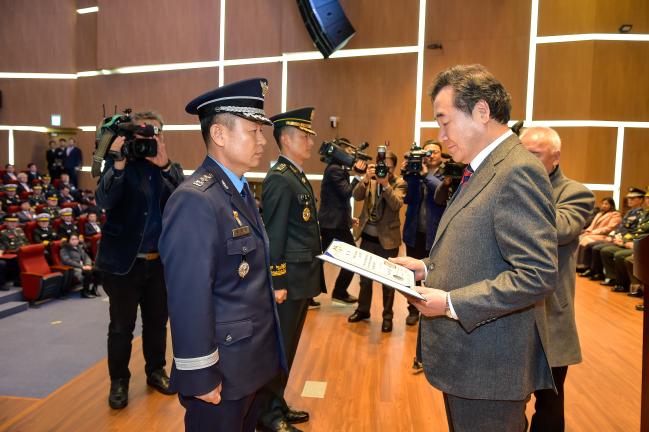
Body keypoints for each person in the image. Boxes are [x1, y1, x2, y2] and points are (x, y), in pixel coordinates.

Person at [391, 64, 557, 432]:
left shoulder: (517, 170)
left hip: (491, 369)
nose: (441, 135)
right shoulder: (483, 169)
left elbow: (537, 275)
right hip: (473, 363)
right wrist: (425, 268)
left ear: (481, 112)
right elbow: (478, 251)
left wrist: (450, 304)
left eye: (445, 121)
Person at [159, 78, 285, 432]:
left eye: (263, 132)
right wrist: (200, 375)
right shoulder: (196, 200)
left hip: (248, 366)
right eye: (253, 131)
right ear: (219, 134)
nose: (262, 141)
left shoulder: (239, 189)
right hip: (221, 374)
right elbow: (189, 298)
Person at [95, 109, 183, 409]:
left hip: (159, 263)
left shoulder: (169, 168)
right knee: (121, 327)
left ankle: (155, 371)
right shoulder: (119, 164)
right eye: (145, 134)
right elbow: (104, 201)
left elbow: (183, 203)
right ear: (133, 136)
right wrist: (118, 162)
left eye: (156, 134)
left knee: (157, 323)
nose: (151, 139)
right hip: (123, 264)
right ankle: (119, 381)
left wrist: (166, 166)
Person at [520, 127, 594, 431]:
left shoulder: (576, 193)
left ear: (556, 157)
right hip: (512, 313)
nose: (525, 161)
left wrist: (522, 196)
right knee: (509, 401)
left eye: (534, 154)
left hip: (551, 316)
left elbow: (561, 229)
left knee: (550, 404)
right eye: (521, 153)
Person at [256, 107, 325, 432]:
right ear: (285, 139)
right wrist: (277, 279)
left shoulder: (294, 174)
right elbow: (275, 234)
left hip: (301, 278)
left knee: (289, 346)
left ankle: (277, 403)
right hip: (288, 281)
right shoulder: (280, 180)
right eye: (304, 135)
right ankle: (268, 417)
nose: (311, 141)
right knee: (278, 348)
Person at [347, 150, 407, 333]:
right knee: (364, 280)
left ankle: (387, 317)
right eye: (382, 165)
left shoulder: (400, 183)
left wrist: (386, 185)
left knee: (388, 283)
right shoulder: (371, 179)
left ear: (394, 167)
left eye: (388, 167)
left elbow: (397, 204)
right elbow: (356, 196)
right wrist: (365, 178)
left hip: (388, 241)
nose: (384, 169)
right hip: (368, 238)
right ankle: (363, 310)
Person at [318, 138, 366, 304]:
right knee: (354, 257)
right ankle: (339, 292)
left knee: (318, 259)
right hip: (334, 224)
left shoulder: (335, 169)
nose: (351, 155)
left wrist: (348, 218)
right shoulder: (335, 170)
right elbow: (346, 193)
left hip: (333, 222)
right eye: (348, 152)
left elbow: (337, 200)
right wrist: (358, 177)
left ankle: (309, 294)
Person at [576, 197, 621, 272]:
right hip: (594, 234)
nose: (604, 205)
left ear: (611, 205)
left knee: (585, 239)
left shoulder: (615, 215)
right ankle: (578, 263)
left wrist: (592, 232)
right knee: (580, 237)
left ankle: (585, 265)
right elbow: (592, 225)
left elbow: (609, 228)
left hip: (606, 236)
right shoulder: (599, 214)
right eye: (603, 203)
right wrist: (588, 231)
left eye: (606, 204)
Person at [60, 233, 97, 298]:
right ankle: (85, 292)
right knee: (88, 272)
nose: (75, 241)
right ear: (69, 240)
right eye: (72, 239)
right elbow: (67, 261)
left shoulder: (79, 247)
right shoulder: (64, 249)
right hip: (73, 268)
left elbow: (86, 257)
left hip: (84, 266)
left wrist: (88, 265)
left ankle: (94, 289)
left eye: (76, 239)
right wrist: (82, 267)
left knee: (98, 269)